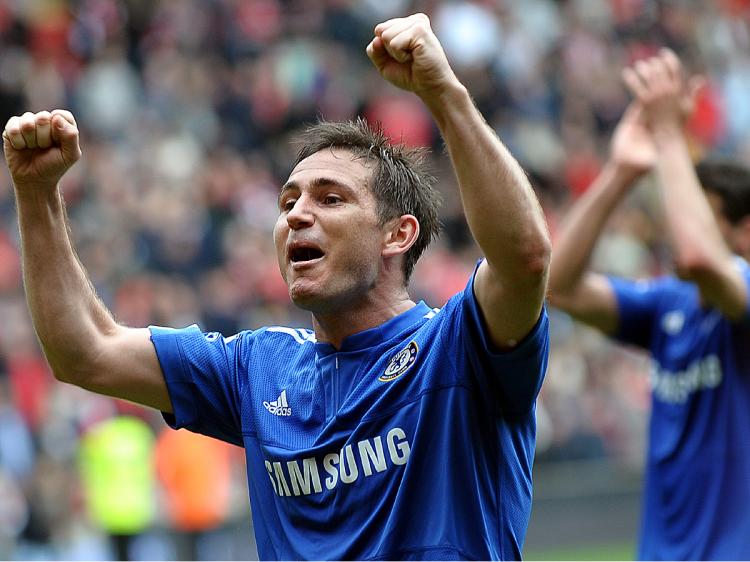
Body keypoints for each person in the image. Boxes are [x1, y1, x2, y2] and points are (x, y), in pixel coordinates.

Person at [3, 14, 550, 561]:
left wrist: (443, 92)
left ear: (397, 234)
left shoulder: (458, 348)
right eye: (288, 202)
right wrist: (36, 192)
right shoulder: (255, 369)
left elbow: (524, 258)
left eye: (330, 199)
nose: (296, 216)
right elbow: (84, 351)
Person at [548, 48, 750, 560]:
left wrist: (668, 135)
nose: (676, 220)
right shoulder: (669, 304)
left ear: (745, 232)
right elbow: (561, 285)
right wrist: (620, 171)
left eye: (701, 212)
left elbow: (700, 256)